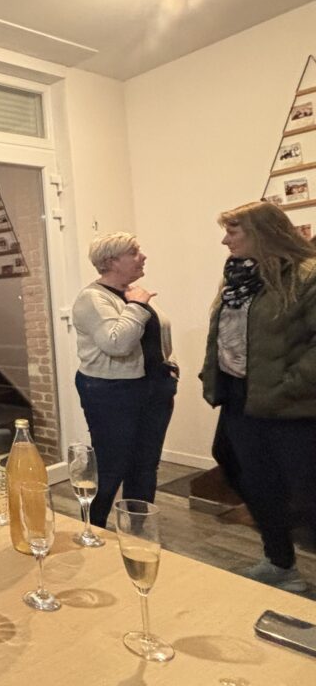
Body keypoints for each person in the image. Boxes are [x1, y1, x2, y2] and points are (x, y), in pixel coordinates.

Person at [201, 201, 316, 593]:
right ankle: (280, 564)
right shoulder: (237, 276)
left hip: (289, 404)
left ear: (262, 232)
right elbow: (226, 333)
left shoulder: (306, 274)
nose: (225, 241)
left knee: (306, 493)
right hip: (240, 397)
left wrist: (289, 385)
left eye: (232, 232)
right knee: (254, 479)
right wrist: (212, 372)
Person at [71, 232, 178, 528]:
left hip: (154, 387)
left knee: (146, 464)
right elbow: (116, 343)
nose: (142, 257)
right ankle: (93, 529)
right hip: (111, 391)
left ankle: (137, 530)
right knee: (111, 465)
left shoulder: (132, 291)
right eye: (133, 252)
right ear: (110, 261)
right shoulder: (93, 298)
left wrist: (170, 366)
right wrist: (137, 307)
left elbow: (156, 336)